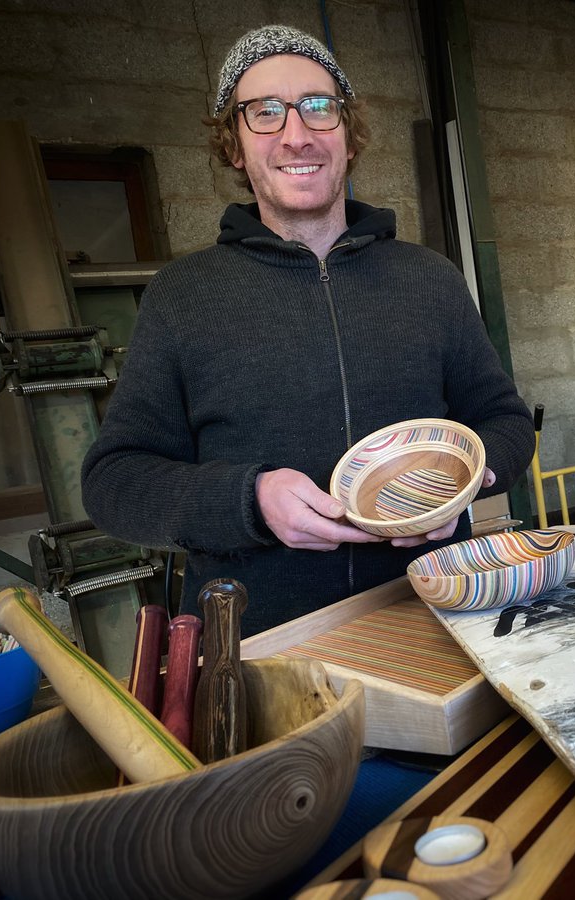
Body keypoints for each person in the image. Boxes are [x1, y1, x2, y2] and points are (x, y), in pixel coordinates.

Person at [81, 24, 534, 637]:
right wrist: (249, 500)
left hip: (434, 620)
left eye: (319, 107)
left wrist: (468, 480)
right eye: (265, 112)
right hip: (262, 646)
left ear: (347, 134)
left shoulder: (429, 279)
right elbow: (113, 482)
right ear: (235, 146)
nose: (297, 135)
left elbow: (505, 423)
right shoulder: (182, 296)